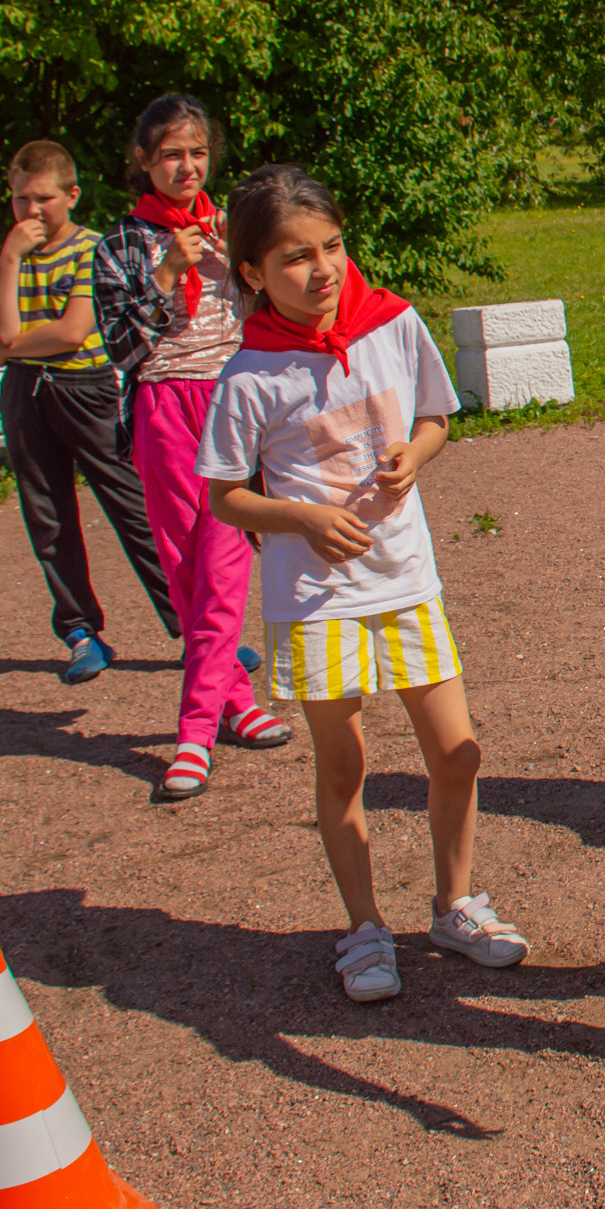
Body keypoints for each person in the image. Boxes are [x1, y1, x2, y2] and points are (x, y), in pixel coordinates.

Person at [197, 165, 523, 1002]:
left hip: (406, 580)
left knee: (459, 751)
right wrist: (300, 518)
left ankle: (454, 905)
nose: (324, 269)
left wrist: (414, 455)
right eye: (296, 257)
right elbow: (223, 495)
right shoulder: (248, 375)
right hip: (315, 600)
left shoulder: (394, 324)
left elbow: (435, 417)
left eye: (332, 246)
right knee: (344, 765)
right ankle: (365, 928)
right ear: (252, 274)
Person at [91, 94, 288, 802]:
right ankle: (237, 700)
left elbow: (265, 312)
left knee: (226, 565)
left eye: (197, 152)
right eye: (172, 153)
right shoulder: (119, 245)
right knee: (186, 572)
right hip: (162, 409)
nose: (187, 165)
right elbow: (119, 349)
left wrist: (234, 274)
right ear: (144, 162)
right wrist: (167, 275)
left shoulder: (232, 228)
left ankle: (193, 734)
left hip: (232, 402)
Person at [0, 140, 178, 684]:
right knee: (47, 516)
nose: (32, 211)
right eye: (21, 199)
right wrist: (10, 258)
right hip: (25, 393)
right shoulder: (11, 258)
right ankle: (79, 631)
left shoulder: (94, 248)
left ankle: (193, 626)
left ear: (71, 194)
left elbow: (73, 331)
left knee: (133, 507)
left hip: (88, 389)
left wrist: (10, 346)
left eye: (43, 198)